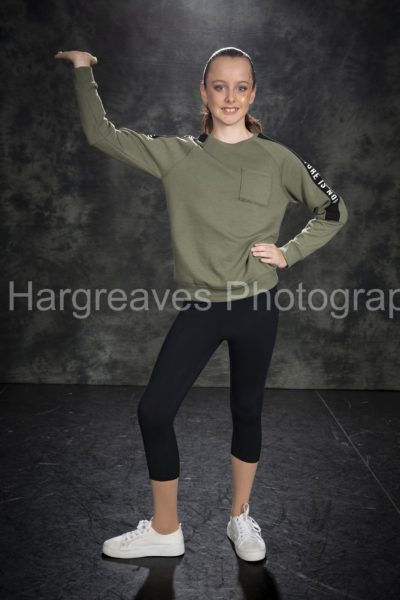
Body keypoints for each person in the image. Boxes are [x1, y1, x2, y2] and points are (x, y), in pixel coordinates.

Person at [54, 46, 349, 562]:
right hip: (202, 309)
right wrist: (83, 71)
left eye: (240, 87)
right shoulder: (178, 155)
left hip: (257, 306)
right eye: (219, 86)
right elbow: (102, 135)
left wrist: (289, 252)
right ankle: (165, 529)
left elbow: (333, 209)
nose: (230, 97)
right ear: (204, 92)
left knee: (247, 410)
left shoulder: (278, 158)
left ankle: (240, 518)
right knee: (154, 411)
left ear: (252, 94)